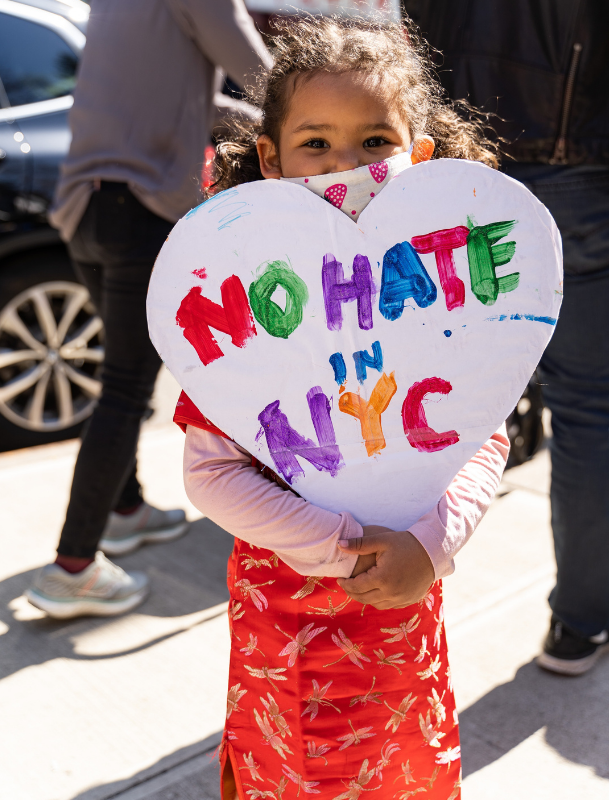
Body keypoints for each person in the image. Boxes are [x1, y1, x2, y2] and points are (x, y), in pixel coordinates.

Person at [170, 16, 511, 799]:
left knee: (404, 773)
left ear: (419, 156)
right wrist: (341, 546)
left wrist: (431, 543)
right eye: (316, 143)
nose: (344, 167)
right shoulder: (237, 297)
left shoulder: (443, 292)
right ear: (271, 158)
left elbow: (484, 435)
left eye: (374, 143)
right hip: (284, 619)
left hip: (403, 612)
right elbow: (210, 471)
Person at [404, 0, 609, 675]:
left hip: (473, 177)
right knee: (589, 410)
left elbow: (416, 44)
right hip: (593, 176)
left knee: (431, 399)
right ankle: (581, 619)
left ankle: (384, 617)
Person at [25, 0, 271, 619]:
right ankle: (72, 568)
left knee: (121, 373)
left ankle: (125, 511)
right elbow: (267, 78)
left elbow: (184, 102)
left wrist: (245, 118)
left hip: (84, 204)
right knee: (128, 387)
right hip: (141, 205)